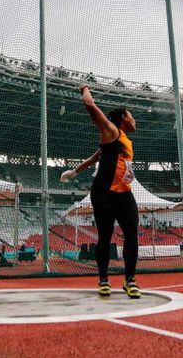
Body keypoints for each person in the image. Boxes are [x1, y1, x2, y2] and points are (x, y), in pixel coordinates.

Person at [60, 84, 140, 299]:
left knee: (132, 233)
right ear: (123, 117)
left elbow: (97, 156)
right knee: (105, 236)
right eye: (132, 117)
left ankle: (129, 280)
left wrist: (75, 171)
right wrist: (84, 88)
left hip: (124, 192)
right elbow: (89, 104)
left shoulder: (120, 138)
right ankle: (103, 279)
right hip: (104, 193)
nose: (135, 121)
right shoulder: (111, 130)